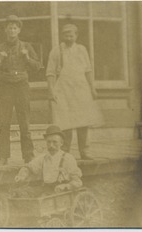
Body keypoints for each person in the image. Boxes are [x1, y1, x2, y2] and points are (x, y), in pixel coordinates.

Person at [46, 24, 104, 160]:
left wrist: (92, 88)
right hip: (63, 91)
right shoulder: (56, 51)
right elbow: (50, 73)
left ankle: (84, 151)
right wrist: (51, 90)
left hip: (81, 89)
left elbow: (88, 70)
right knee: (66, 122)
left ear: (76, 35)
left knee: (83, 121)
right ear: (62, 35)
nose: (69, 37)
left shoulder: (82, 50)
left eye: (71, 34)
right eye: (66, 34)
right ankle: (65, 151)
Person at [0, 15, 41, 166]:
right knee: (4, 123)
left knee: (24, 123)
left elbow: (37, 67)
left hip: (22, 87)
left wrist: (27, 58)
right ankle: (3, 157)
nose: (12, 30)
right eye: (9, 27)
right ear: (5, 30)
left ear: (19, 30)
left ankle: (28, 156)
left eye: (15, 28)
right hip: (5, 87)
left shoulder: (26, 46)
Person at [14, 125, 83, 197]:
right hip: (45, 190)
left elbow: (77, 182)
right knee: (20, 193)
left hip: (61, 193)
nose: (51, 145)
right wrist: (21, 175)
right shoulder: (43, 158)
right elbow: (28, 167)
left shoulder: (68, 159)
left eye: (55, 142)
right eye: (48, 142)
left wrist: (65, 186)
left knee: (42, 197)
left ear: (61, 143)